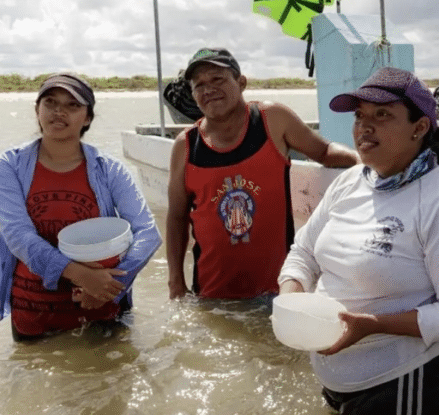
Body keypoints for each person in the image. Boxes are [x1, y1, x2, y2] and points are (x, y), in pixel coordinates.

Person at [277, 67, 439, 415]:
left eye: (383, 115)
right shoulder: (348, 182)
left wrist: (372, 327)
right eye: (360, 116)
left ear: (419, 128)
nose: (364, 126)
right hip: (336, 379)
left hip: (400, 382)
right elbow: (303, 251)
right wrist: (292, 299)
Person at [166, 47, 359, 300]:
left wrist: (362, 160)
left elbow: (324, 151)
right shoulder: (186, 145)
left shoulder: (273, 119)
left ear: (241, 82)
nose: (207, 89)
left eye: (217, 79)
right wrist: (176, 285)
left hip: (277, 291)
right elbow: (177, 218)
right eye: (198, 85)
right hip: (212, 296)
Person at [0, 73, 162, 341]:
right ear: (37, 110)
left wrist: (110, 287)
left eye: (73, 105)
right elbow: (18, 235)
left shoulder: (109, 169)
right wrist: (82, 275)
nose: (59, 112)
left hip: (101, 307)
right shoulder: (10, 166)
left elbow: (147, 231)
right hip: (34, 311)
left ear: (87, 118)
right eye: (50, 102)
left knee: (111, 380)